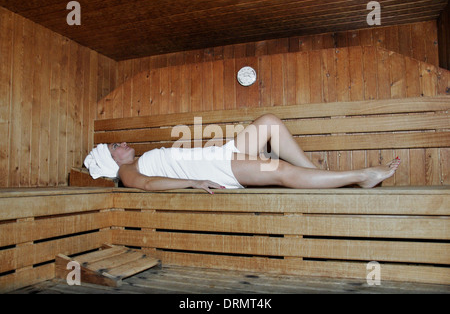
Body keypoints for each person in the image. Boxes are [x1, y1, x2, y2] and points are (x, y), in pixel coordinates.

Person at [84, 114, 401, 194]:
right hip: (217, 169)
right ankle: (362, 177)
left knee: (270, 124)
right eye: (115, 147)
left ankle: (325, 180)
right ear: (110, 161)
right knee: (276, 168)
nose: (121, 144)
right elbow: (148, 186)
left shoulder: (138, 160)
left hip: (219, 155)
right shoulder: (126, 173)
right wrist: (191, 184)